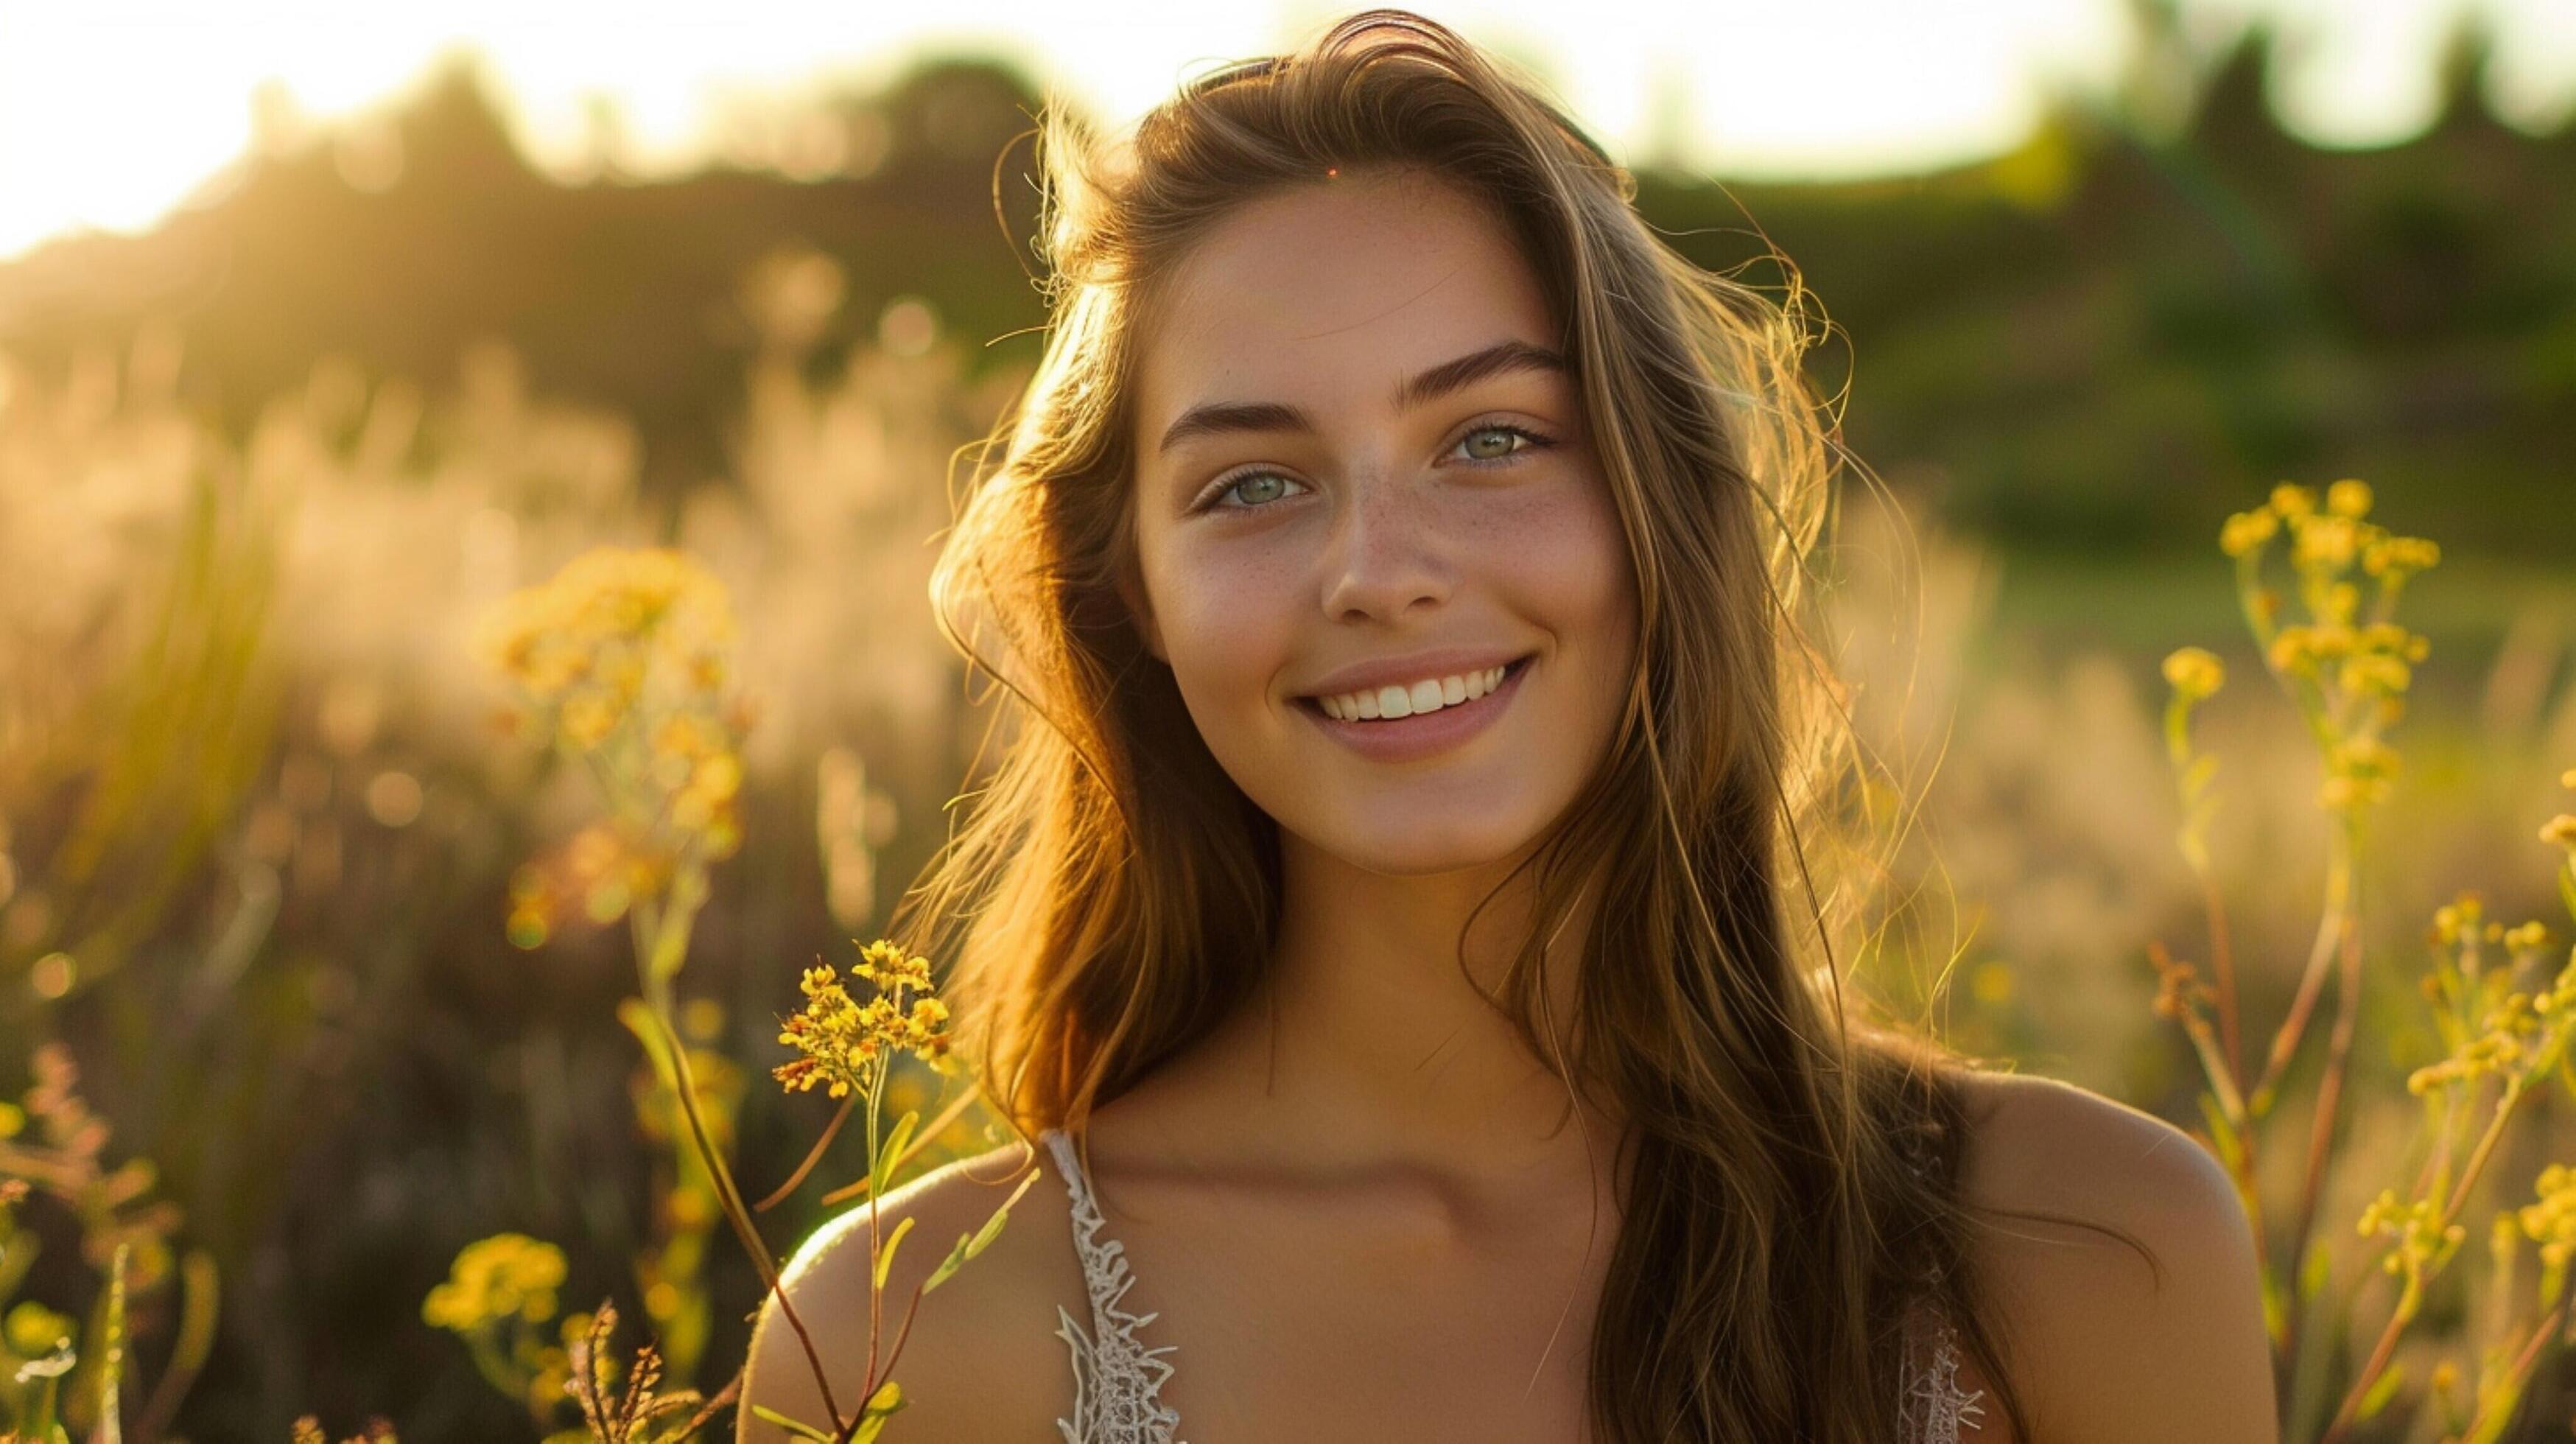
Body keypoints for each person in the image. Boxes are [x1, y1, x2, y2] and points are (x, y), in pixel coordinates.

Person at [739, 10, 2274, 1441]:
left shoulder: (2088, 1247)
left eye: (1491, 438)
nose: (1379, 574)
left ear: (1653, 506)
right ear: (1130, 593)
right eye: (1252, 482)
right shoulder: (914, 1334)